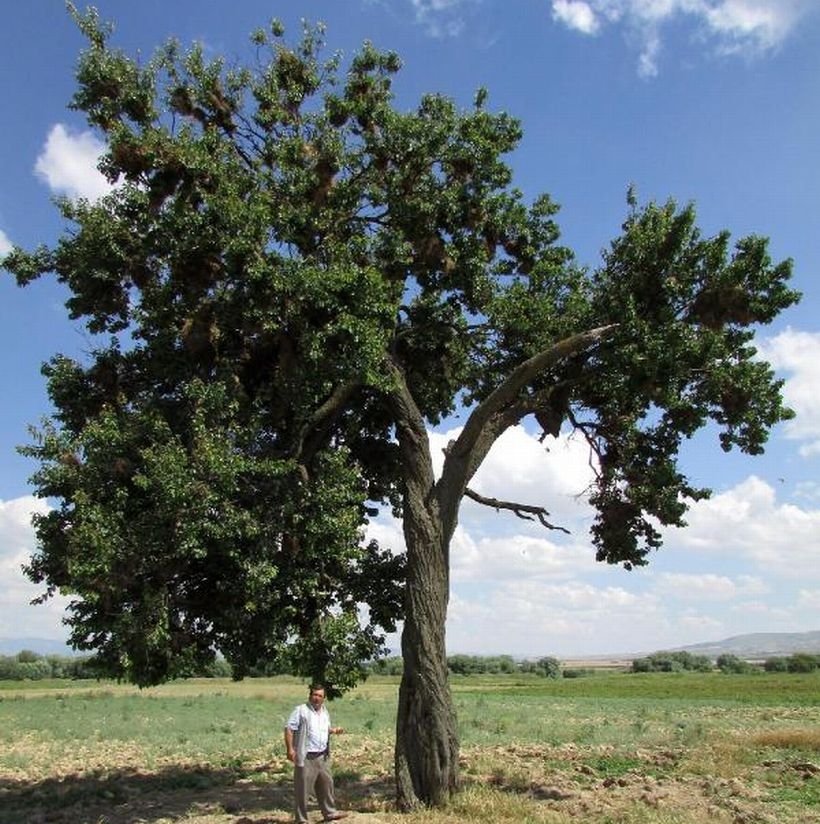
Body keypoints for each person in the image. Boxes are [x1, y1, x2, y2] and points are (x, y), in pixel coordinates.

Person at [284, 683, 349, 823]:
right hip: (306, 756)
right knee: (303, 790)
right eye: (314, 694)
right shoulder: (301, 710)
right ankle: (301, 819)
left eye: (319, 695)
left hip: (323, 755)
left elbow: (323, 729)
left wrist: (333, 730)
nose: (316, 698)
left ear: (323, 698)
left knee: (327, 785)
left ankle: (330, 813)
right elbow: (289, 728)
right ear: (310, 695)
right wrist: (290, 749)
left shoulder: (324, 711)